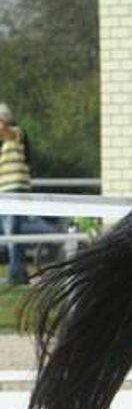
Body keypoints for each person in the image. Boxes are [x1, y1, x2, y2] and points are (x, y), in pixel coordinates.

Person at [0, 102, 54, 286]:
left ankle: (16, 273)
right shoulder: (6, 143)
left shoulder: (17, 134)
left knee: (12, 232)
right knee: (11, 233)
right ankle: (18, 270)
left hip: (14, 190)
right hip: (6, 192)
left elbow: (6, 131)